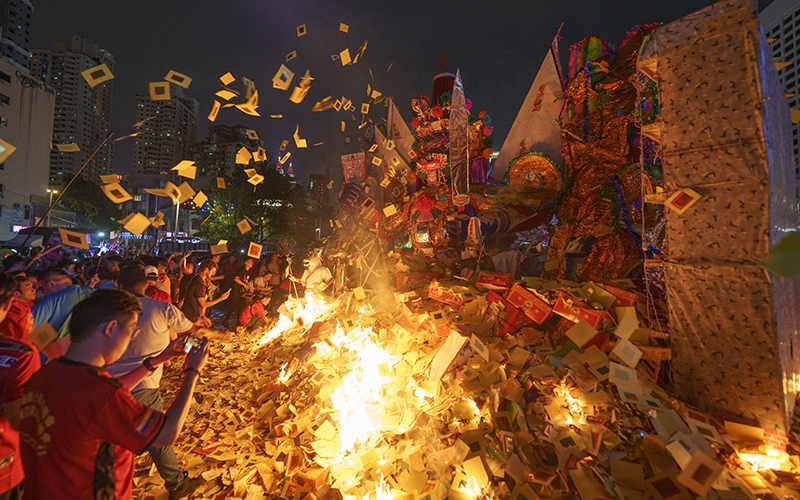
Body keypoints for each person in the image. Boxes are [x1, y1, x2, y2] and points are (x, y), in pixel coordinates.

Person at [18, 289, 209, 500]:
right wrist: (192, 371)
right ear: (110, 328)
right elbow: (166, 433)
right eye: (132, 332)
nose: (131, 338)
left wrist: (157, 359)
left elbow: (106, 392)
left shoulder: (45, 374)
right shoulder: (101, 395)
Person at [108, 266, 228, 499]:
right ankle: (176, 484)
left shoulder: (106, 309)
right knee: (157, 436)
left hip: (106, 383)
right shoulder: (161, 308)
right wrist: (219, 335)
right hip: (144, 385)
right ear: (147, 284)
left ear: (119, 286)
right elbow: (194, 332)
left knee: (114, 436)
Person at [0, 273, 40, 500]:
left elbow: (33, 334)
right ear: (10, 300)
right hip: (5, 460)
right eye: (28, 286)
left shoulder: (29, 309)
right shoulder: (19, 354)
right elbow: (17, 417)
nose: (34, 289)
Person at [181, 260, 230, 327]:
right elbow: (203, 304)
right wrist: (221, 298)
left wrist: (203, 316)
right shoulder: (199, 284)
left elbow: (198, 303)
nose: (213, 274)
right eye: (212, 271)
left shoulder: (197, 280)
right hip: (190, 318)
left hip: (192, 317)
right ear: (206, 269)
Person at [0, 276, 35, 346]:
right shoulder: (12, 305)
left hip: (24, 348)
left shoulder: (27, 305)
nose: (34, 289)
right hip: (11, 349)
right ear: (16, 294)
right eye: (28, 287)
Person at [224, 258, 252, 327]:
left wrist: (246, 287)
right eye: (250, 262)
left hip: (242, 292)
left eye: (252, 262)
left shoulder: (247, 272)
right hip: (236, 291)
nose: (252, 263)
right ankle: (226, 320)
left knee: (241, 307)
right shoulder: (242, 270)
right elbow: (236, 279)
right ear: (246, 263)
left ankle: (239, 322)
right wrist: (244, 285)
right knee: (233, 306)